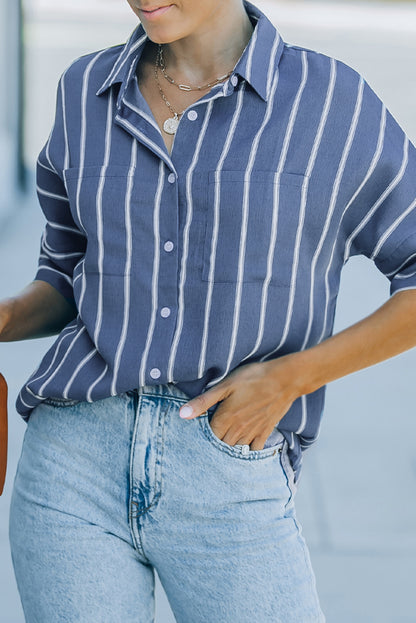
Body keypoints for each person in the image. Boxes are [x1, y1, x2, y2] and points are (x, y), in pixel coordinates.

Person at [3, 0, 416, 621]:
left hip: (228, 470)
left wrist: (289, 379)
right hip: (72, 466)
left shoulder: (332, 103)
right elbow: (67, 275)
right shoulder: (84, 90)